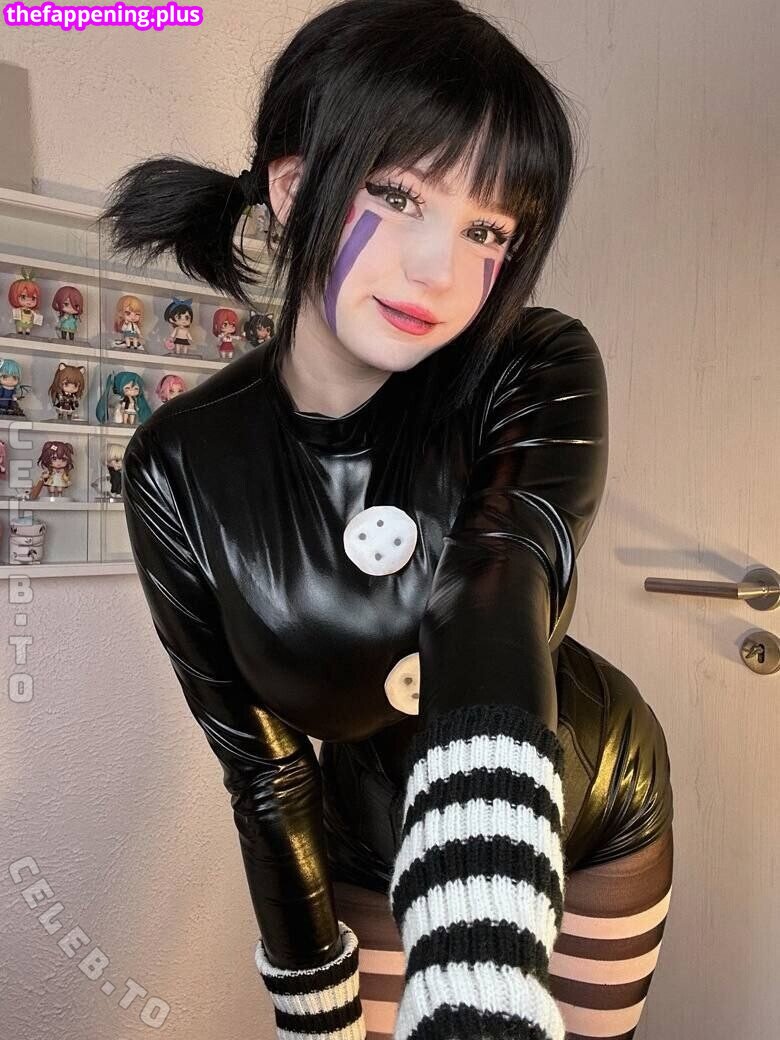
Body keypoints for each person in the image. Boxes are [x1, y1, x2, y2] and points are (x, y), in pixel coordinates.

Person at [100, 2, 674, 1038]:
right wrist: (312, 1004)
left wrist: (478, 972)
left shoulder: (532, 363)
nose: (438, 271)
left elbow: (497, 579)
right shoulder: (180, 465)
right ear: (293, 188)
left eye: (487, 230)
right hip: (363, 828)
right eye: (399, 195)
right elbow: (265, 767)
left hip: (591, 793)